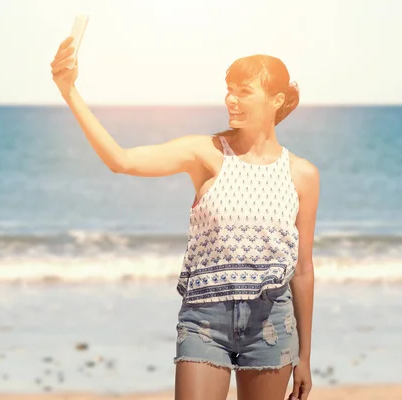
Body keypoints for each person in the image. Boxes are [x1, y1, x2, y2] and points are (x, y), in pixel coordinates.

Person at [50, 36, 319, 400]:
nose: (231, 99)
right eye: (229, 90)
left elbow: (302, 270)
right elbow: (121, 161)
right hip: (204, 320)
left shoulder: (301, 174)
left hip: (270, 322)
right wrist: (70, 91)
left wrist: (304, 355)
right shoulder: (204, 153)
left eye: (243, 91)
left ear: (276, 101)